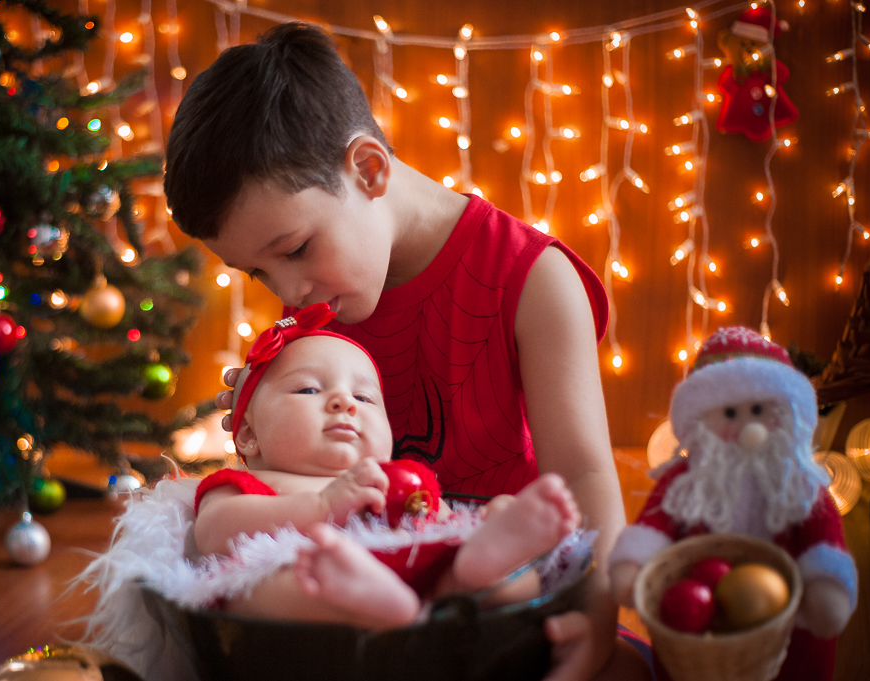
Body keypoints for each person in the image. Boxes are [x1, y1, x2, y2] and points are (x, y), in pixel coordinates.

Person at [164, 21, 650, 680]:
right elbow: (309, 488)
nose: (290, 291)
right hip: (361, 604)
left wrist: (599, 616)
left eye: (295, 251)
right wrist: (270, 424)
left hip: (496, 600)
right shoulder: (322, 302)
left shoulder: (534, 279)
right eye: (262, 275)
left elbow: (587, 476)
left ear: (368, 169)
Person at [191, 302, 585, 629]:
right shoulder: (250, 482)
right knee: (251, 591)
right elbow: (211, 534)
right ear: (247, 435)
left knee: (516, 583)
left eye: (363, 398)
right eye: (309, 389)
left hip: (422, 580)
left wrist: (474, 531)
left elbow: (441, 523)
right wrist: (322, 508)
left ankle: (479, 566)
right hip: (316, 582)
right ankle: (374, 604)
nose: (344, 403)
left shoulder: (401, 478)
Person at [609, 326, 857, 681]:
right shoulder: (685, 480)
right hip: (695, 640)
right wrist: (634, 565)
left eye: (759, 410)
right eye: (729, 414)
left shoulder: (799, 483)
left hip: (789, 633)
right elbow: (653, 526)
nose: (746, 428)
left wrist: (825, 585)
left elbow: (823, 535)